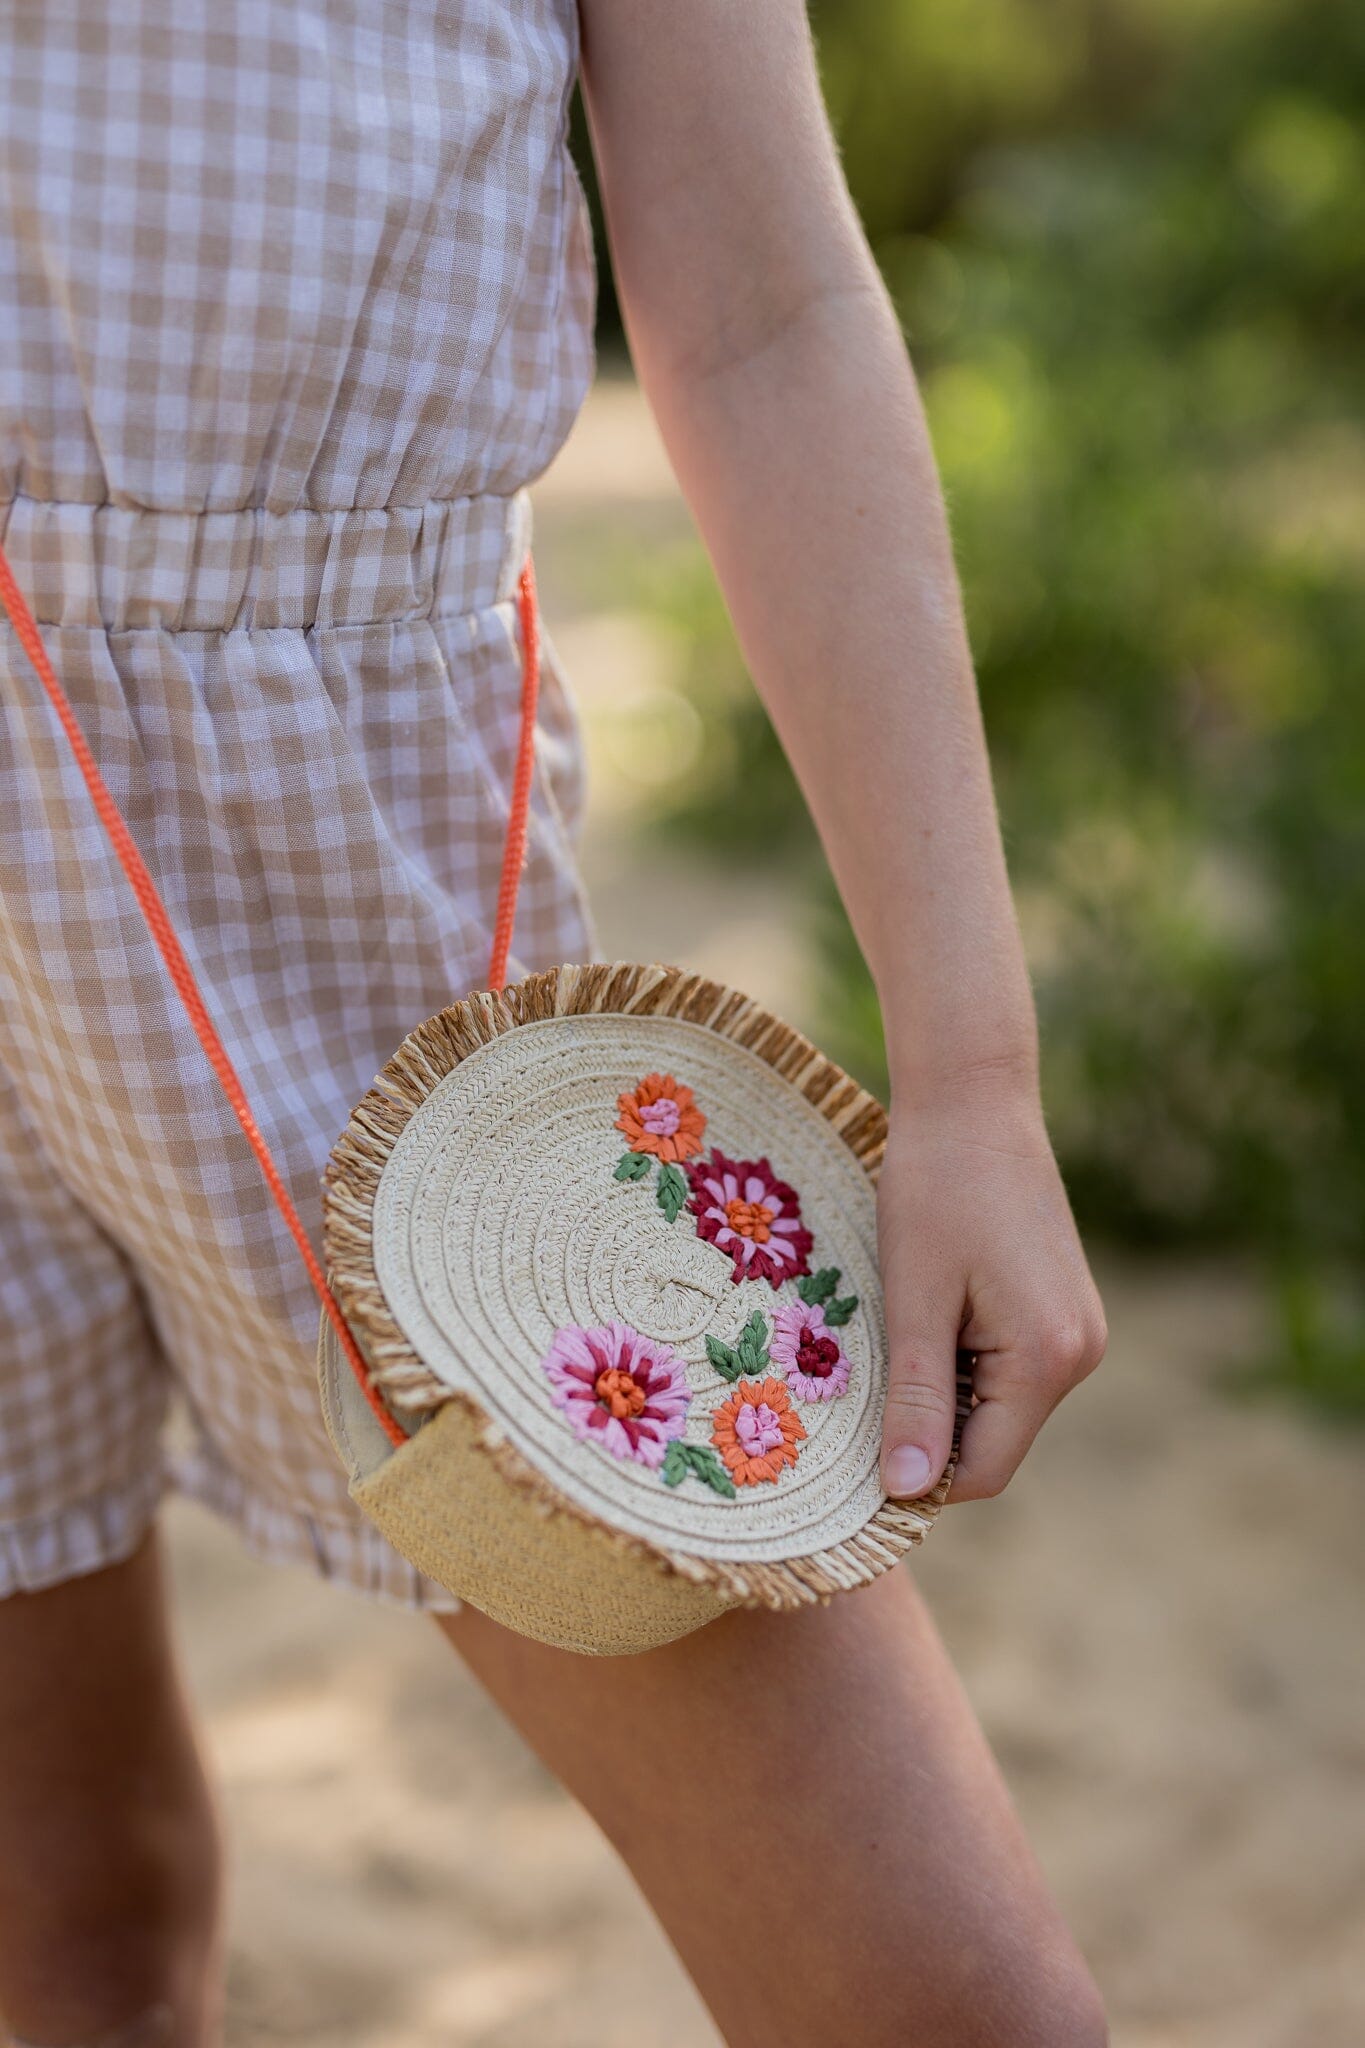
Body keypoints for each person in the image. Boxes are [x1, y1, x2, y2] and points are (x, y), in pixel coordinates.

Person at [0, 2, 1109, 2043]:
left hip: (357, 905)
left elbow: (764, 302)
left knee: (945, 2004)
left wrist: (965, 1070)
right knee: (68, 1926)